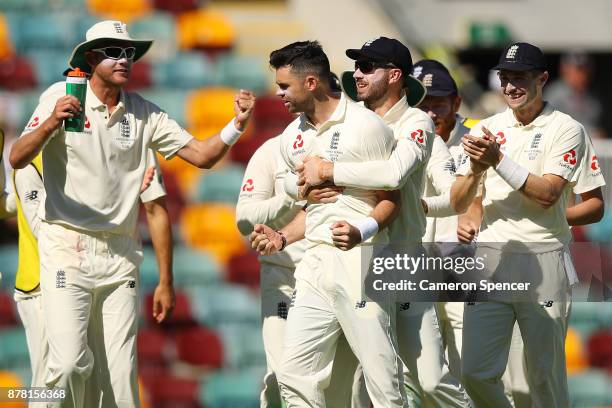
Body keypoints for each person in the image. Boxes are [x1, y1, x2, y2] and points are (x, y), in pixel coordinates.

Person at [9, 20, 255, 407]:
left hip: (119, 256)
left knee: (120, 382)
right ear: (90, 59)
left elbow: (200, 159)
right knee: (66, 369)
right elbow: (17, 158)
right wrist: (52, 122)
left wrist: (236, 126)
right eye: (112, 51)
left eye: (128, 52)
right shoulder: (60, 100)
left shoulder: (143, 114)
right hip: (58, 259)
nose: (124, 59)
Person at [297, 38, 470, 407]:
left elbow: (393, 174)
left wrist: (330, 171)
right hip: (354, 262)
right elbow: (299, 173)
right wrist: (304, 194)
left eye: (368, 66)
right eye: (357, 66)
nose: (357, 74)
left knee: (431, 379)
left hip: (402, 262)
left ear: (394, 76)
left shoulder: (417, 121)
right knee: (361, 380)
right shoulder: (353, 122)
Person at [252, 40, 407, 407]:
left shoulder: (366, 127)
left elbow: (391, 199)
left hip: (361, 260)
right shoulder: (293, 136)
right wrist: (282, 237)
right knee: (292, 372)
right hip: (315, 263)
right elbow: (316, 205)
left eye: (285, 85)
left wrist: (362, 230)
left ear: (311, 84)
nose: (279, 94)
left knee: (381, 378)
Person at [451, 42, 597, 407]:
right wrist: (474, 171)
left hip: (544, 258)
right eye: (505, 78)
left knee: (543, 375)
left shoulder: (566, 129)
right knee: (475, 372)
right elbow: (461, 200)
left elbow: (549, 194)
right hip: (491, 260)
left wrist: (497, 158)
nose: (511, 86)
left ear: (542, 78)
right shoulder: (486, 127)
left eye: (520, 78)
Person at [411, 59, 480, 382]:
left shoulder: (478, 135)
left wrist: (473, 213)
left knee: (470, 372)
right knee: (422, 374)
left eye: (437, 103)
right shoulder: (402, 136)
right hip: (414, 269)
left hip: (464, 272)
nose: (429, 114)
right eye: (421, 105)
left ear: (456, 102)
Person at [546, 51, 606, 139]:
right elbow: (547, 126)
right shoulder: (554, 94)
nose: (582, 74)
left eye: (585, 69)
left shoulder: (593, 97)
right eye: (577, 69)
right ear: (564, 69)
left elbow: (595, 126)